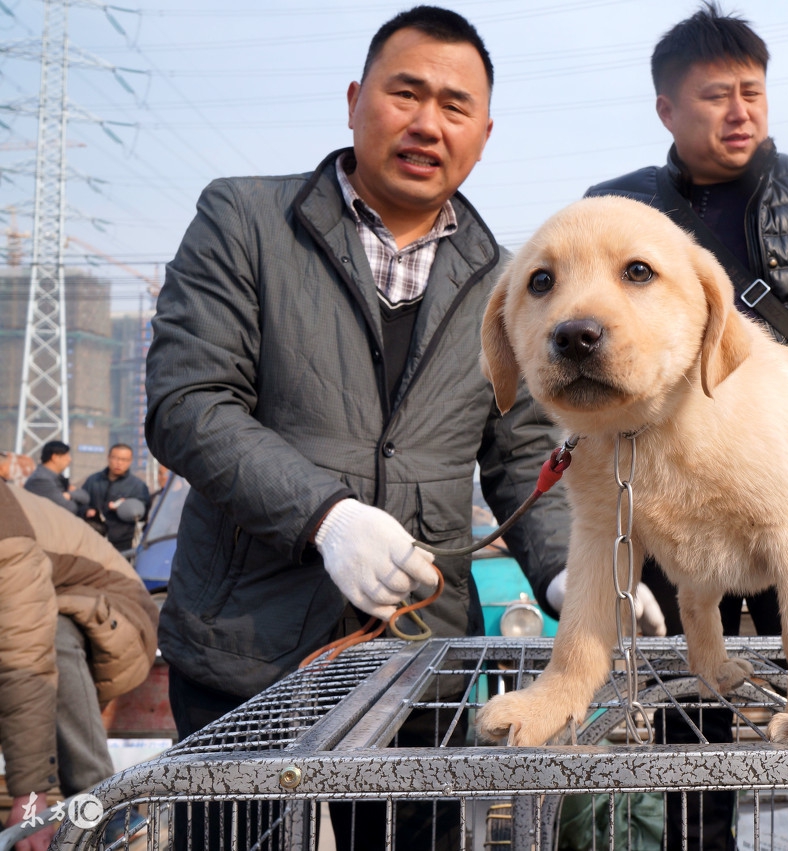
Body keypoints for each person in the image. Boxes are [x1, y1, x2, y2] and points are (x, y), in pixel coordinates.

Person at [145, 6, 569, 846]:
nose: (426, 122)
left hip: (418, 658)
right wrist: (325, 517)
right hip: (250, 650)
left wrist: (571, 574)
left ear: (484, 132)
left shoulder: (509, 278)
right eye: (404, 92)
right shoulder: (246, 222)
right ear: (354, 100)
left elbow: (524, 458)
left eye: (455, 105)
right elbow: (187, 401)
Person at [581, 5, 788, 850]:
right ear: (666, 108)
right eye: (715, 96)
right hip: (663, 491)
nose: (741, 112)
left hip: (785, 489)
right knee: (688, 721)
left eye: (753, 93)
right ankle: (701, 838)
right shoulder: (614, 207)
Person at [0, 474, 159, 851]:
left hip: (114, 620)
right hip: (35, 615)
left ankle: (105, 807)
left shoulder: (6, 535)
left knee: (49, 634)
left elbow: (26, 662)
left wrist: (31, 798)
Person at [80, 444, 150, 551]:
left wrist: (126, 507)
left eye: (124, 459)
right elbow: (81, 502)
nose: (119, 463)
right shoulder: (93, 480)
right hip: (92, 537)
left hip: (122, 542)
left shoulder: (138, 486)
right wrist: (87, 511)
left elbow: (143, 512)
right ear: (108, 457)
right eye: (115, 458)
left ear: (130, 461)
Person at [23, 440, 78, 514]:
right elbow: (69, 507)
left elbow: (85, 496)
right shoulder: (40, 480)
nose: (69, 459)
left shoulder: (57, 478)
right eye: (66, 455)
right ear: (54, 457)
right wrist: (75, 497)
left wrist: (70, 495)